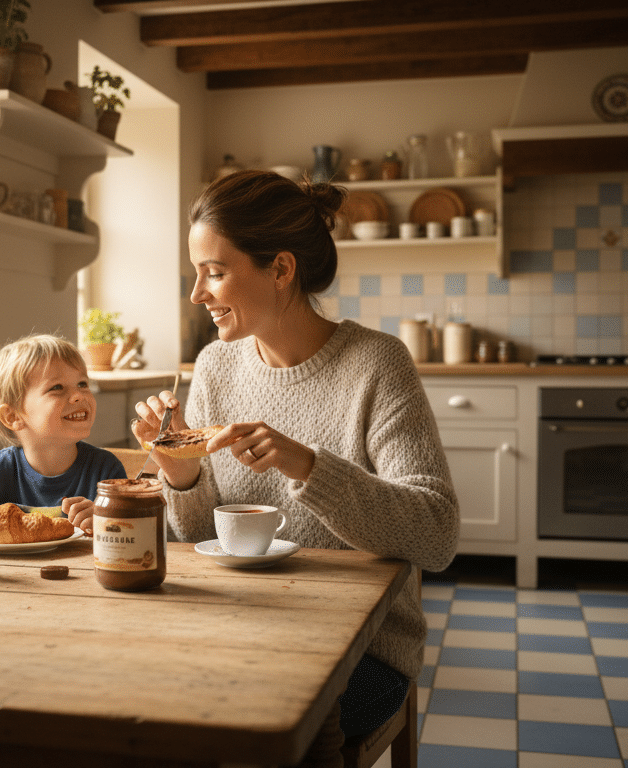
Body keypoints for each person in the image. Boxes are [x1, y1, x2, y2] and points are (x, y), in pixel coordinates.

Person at [132, 170, 458, 765]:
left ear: (281, 270)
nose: (197, 294)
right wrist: (176, 469)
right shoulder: (214, 367)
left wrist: (309, 466)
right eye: (195, 272)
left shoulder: (377, 364)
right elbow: (202, 540)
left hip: (365, 654)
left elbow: (436, 534)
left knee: (254, 721)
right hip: (240, 629)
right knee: (140, 708)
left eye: (215, 271)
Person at [0, 333, 127, 536]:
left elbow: (131, 527)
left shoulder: (105, 470)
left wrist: (105, 521)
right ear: (12, 417)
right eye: (57, 388)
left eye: (82, 384)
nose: (78, 396)